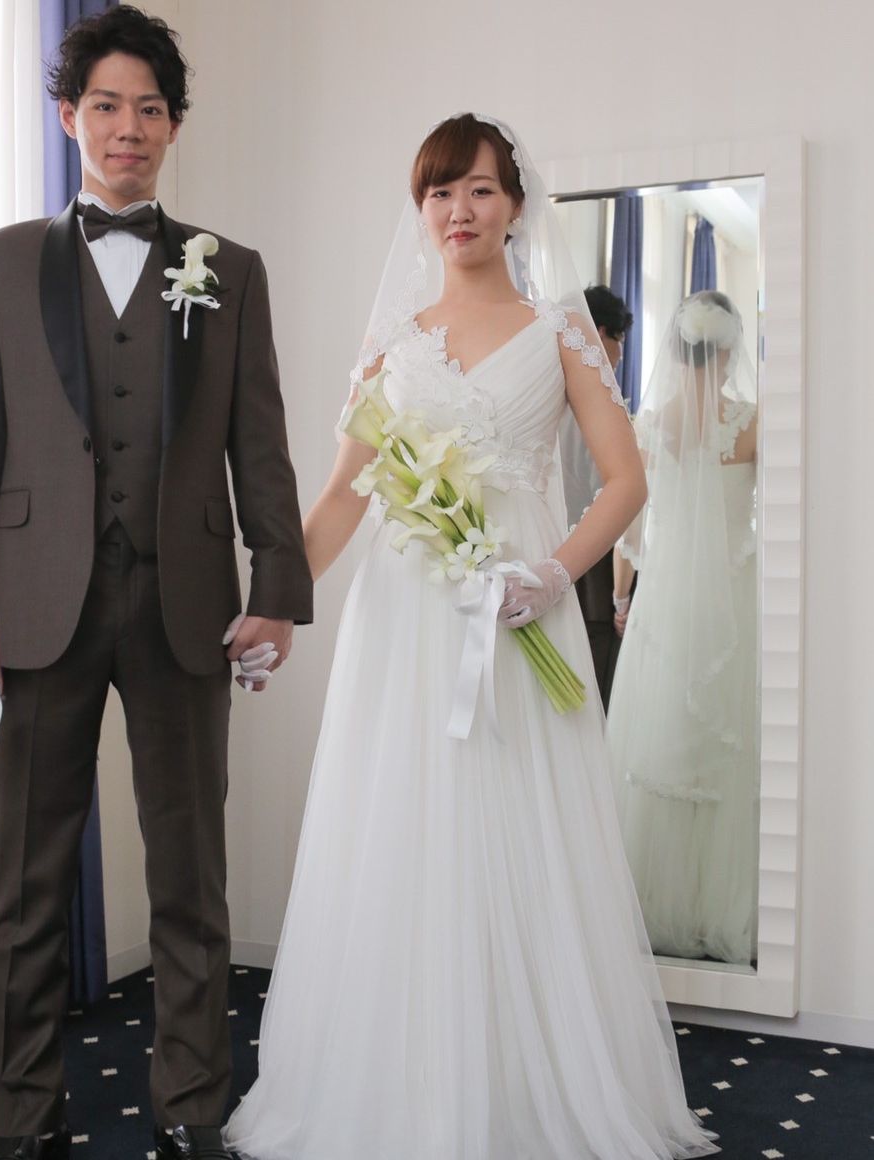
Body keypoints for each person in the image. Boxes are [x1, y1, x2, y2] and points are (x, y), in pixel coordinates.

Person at [225, 115, 718, 1160]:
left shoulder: (560, 332)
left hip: (516, 607)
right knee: (402, 830)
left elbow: (625, 481)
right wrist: (275, 601)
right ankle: (400, 1087)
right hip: (404, 625)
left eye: (481, 190)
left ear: (515, 206)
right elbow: (344, 496)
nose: (459, 210)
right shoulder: (392, 345)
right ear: (420, 210)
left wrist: (553, 573)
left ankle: (526, 1083)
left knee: (522, 829)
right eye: (440, 192)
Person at [0, 7, 312, 1159]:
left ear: (173, 126)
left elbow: (261, 444)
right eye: (105, 105)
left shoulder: (229, 270)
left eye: (149, 109)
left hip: (183, 604)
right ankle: (24, 1116)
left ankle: (191, 1107)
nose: (128, 128)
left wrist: (277, 584)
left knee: (190, 876)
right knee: (28, 882)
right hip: (34, 605)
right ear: (68, 117)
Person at [608, 291, 759, 966]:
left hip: (666, 598)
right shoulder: (752, 423)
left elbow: (629, 530)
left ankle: (651, 902)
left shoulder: (649, 425)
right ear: (728, 352)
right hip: (734, 594)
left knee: (660, 738)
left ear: (674, 351)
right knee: (728, 743)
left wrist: (622, 598)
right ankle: (718, 907)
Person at [566, 285, 634, 709]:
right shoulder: (601, 397)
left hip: (550, 540)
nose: (622, 354)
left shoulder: (548, 382)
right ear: (603, 332)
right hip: (594, 553)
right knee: (594, 673)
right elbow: (611, 484)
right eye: (621, 341)